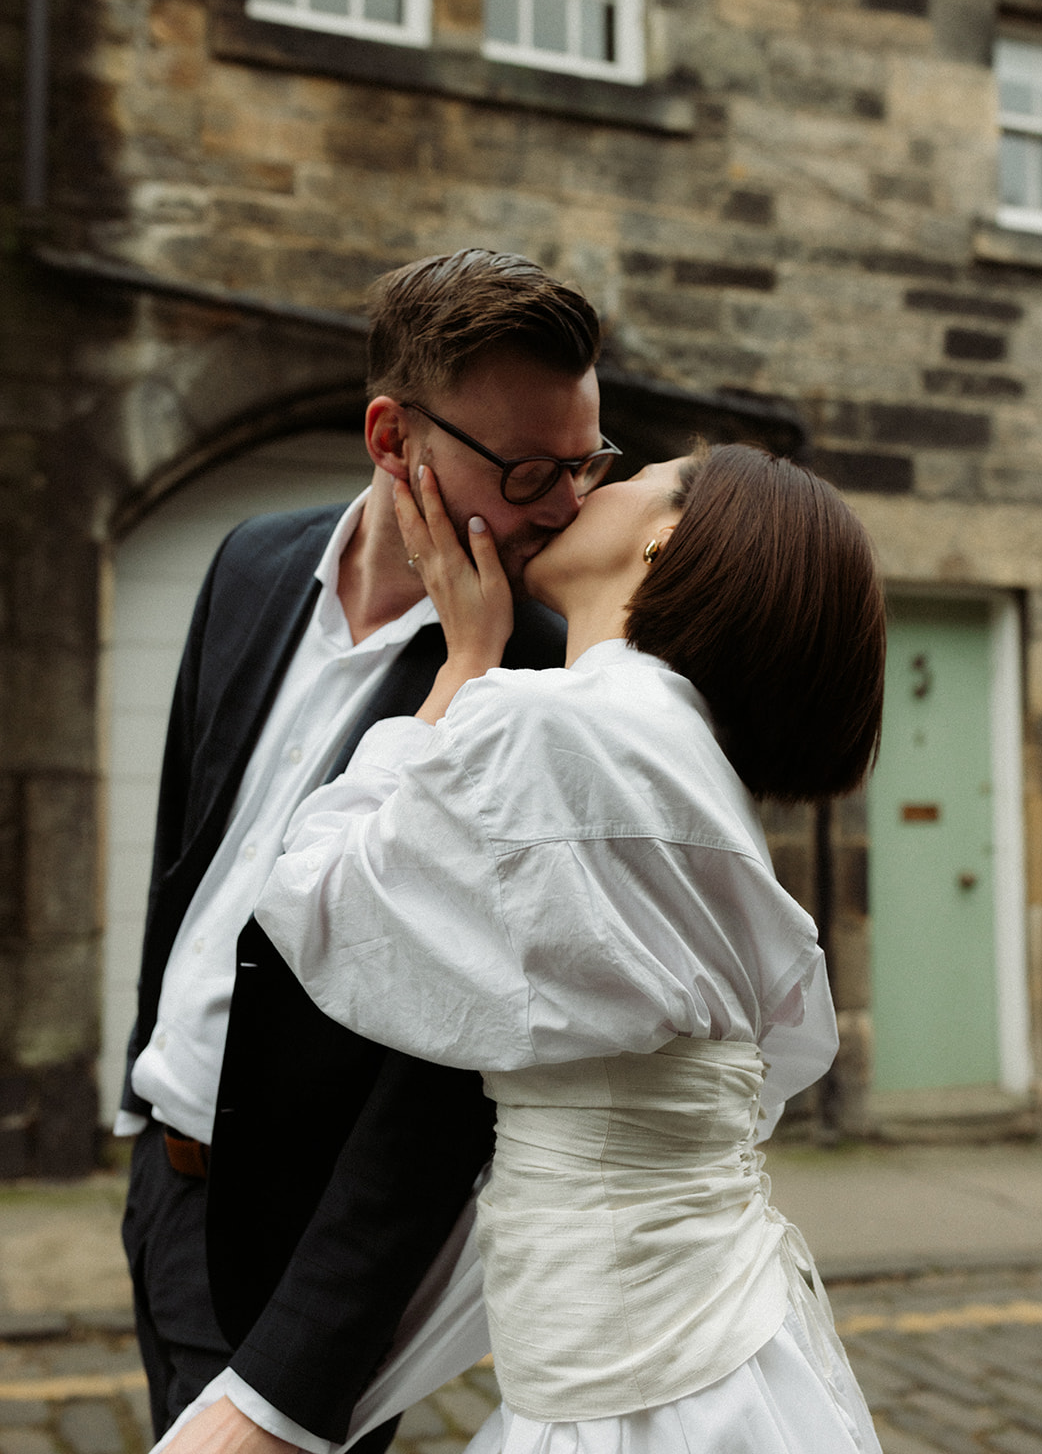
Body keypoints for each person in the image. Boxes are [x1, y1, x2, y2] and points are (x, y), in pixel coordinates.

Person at [250, 439, 888, 1453]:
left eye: (628, 477)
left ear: (662, 538)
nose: (588, 488)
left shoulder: (546, 727)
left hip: (633, 1390)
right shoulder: (683, 762)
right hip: (708, 1342)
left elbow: (312, 897)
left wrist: (465, 664)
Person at [118, 248, 621, 1454]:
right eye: (529, 471)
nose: (565, 505)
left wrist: (301, 1371)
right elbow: (189, 850)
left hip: (313, 1245)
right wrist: (140, 1092)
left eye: (586, 462)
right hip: (161, 1181)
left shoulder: (550, 677)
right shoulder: (249, 561)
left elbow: (449, 1081)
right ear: (393, 439)